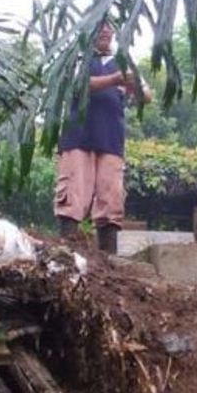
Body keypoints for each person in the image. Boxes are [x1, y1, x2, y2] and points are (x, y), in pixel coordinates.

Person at [53, 19, 152, 253]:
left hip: (111, 139)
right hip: (78, 136)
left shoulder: (123, 61)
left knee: (111, 198)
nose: (106, 31)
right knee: (73, 196)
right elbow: (76, 86)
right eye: (100, 25)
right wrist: (115, 80)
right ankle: (67, 254)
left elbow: (146, 96)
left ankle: (108, 260)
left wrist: (132, 85)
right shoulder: (77, 57)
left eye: (110, 26)